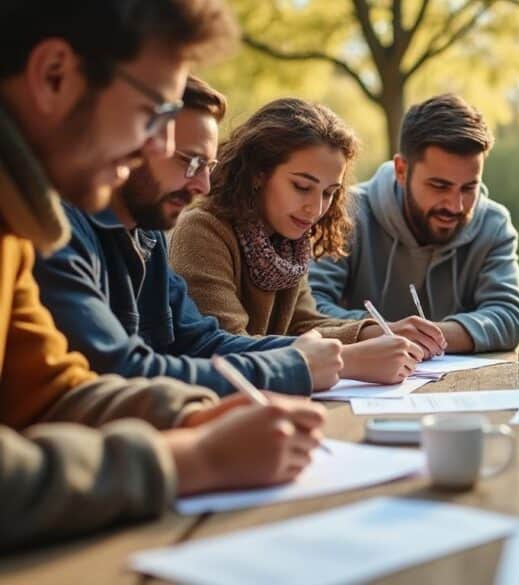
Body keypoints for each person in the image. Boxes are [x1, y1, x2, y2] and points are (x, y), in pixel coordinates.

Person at [0, 0, 325, 549]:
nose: (161, 148)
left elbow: (50, 392)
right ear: (54, 76)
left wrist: (197, 415)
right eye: (152, 115)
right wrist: (194, 457)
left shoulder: (19, 226)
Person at [33, 79, 347, 396]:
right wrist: (293, 366)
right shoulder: (58, 231)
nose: (203, 186)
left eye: (207, 166)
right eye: (189, 161)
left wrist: (304, 354)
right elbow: (119, 369)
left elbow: (200, 340)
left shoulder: (148, 234)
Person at [169, 97, 423, 384]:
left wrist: (379, 331)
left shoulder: (288, 242)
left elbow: (303, 325)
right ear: (258, 173)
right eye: (302, 187)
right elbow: (224, 346)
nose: (315, 209)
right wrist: (350, 360)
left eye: (329, 193)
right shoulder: (201, 231)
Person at [309, 94, 519, 354]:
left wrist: (424, 338)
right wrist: (387, 332)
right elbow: (311, 308)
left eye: (469, 187)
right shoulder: (347, 214)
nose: (455, 206)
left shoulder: (493, 223)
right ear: (402, 170)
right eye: (439, 186)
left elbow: (510, 315)